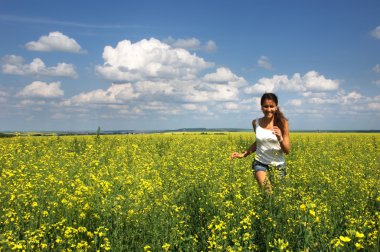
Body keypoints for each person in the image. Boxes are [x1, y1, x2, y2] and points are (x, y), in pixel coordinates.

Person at [231, 93, 290, 193]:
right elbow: (258, 143)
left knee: (279, 197)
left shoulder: (282, 123)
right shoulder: (255, 123)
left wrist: (280, 137)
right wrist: (244, 154)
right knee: (268, 192)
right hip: (260, 163)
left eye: (271, 106)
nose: (268, 109)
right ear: (261, 107)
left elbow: (287, 150)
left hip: (278, 165)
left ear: (276, 107)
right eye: (265, 106)